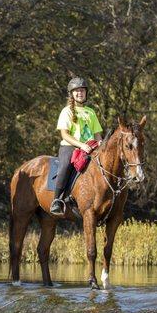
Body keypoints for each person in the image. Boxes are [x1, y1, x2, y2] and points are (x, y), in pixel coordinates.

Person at [50, 77, 103, 215]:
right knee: (65, 166)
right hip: (70, 147)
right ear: (72, 94)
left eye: (82, 90)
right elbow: (65, 135)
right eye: (77, 91)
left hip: (90, 148)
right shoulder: (67, 111)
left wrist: (100, 143)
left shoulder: (91, 112)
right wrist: (81, 145)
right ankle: (57, 200)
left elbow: (97, 134)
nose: (80, 93)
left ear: (86, 93)